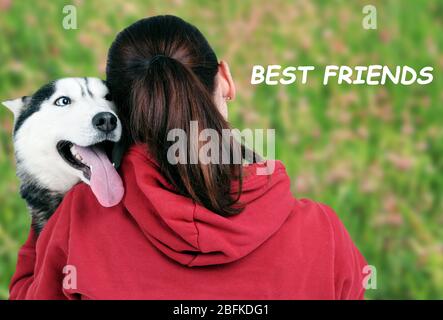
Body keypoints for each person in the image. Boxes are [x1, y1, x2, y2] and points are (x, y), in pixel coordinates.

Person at [10, 15, 367, 300]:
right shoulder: (323, 233)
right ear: (225, 79)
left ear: (122, 109)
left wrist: (46, 210)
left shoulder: (79, 218)